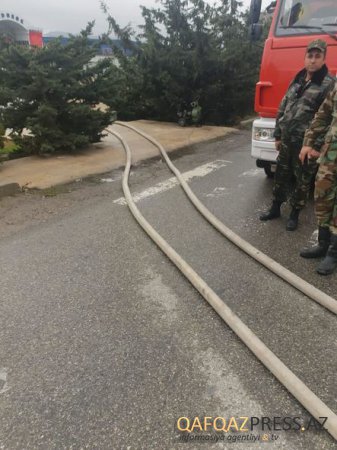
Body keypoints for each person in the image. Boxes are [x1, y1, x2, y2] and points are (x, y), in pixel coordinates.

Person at [260, 39, 335, 231]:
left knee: (302, 181)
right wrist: (278, 134)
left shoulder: (329, 84)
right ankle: (275, 208)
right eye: (309, 56)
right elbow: (284, 105)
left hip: (305, 144)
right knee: (281, 174)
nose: (312, 60)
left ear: (323, 58)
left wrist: (316, 146)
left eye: (317, 56)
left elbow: (326, 120)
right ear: (305, 58)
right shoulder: (299, 78)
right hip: (287, 139)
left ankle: (294, 214)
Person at [299, 83, 337, 275]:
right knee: (321, 195)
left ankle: (334, 252)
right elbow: (323, 113)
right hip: (331, 154)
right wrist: (308, 143)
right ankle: (323, 243)